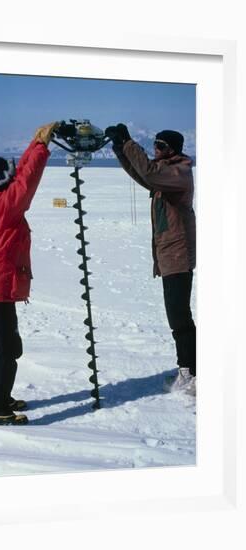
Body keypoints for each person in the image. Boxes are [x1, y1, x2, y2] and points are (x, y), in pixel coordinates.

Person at [0, 122, 59, 425]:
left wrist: (36, 143)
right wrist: (41, 149)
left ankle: (0, 396)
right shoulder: (3, 207)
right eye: (7, 176)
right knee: (5, 348)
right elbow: (26, 183)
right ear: (1, 181)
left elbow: (19, 176)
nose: (13, 178)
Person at [106, 124, 196, 396]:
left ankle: (193, 371)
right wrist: (121, 149)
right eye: (155, 144)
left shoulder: (178, 172)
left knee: (179, 315)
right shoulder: (163, 174)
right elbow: (140, 173)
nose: (156, 149)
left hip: (178, 253)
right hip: (168, 252)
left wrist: (130, 142)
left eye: (161, 146)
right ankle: (188, 368)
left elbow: (149, 172)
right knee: (176, 315)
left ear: (173, 150)